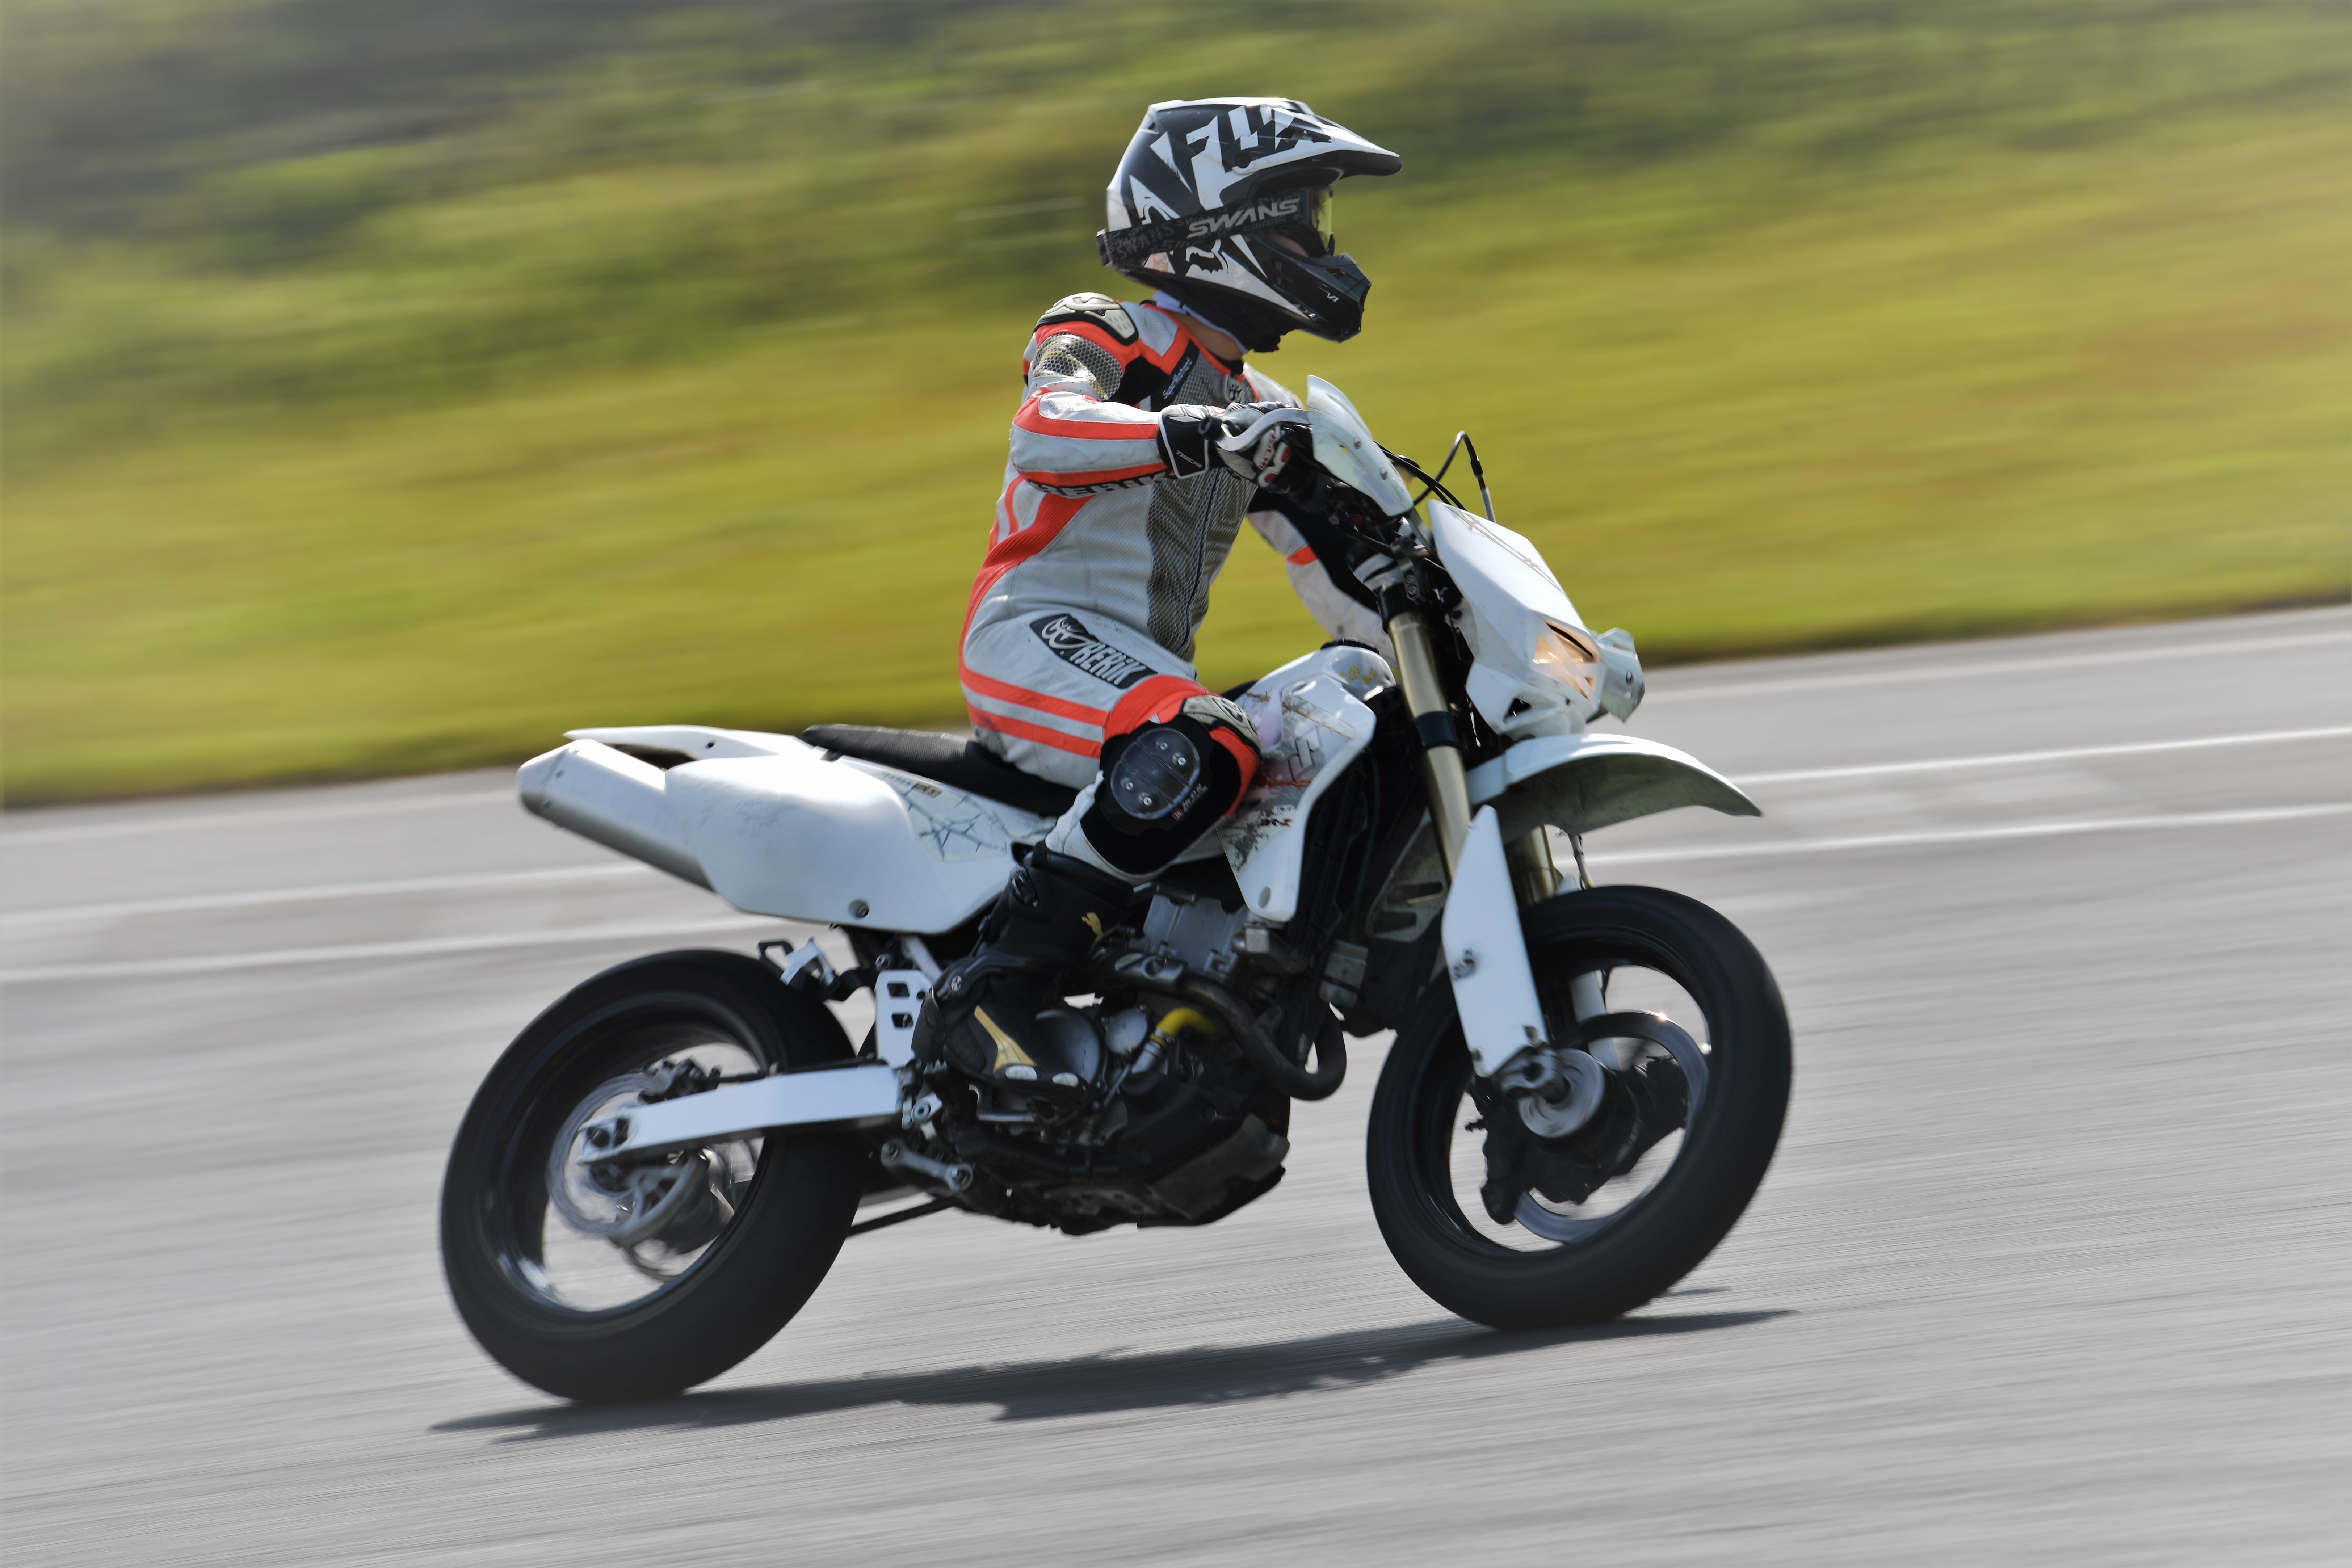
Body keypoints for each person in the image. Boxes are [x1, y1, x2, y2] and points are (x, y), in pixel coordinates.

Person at [918, 97, 1403, 1098]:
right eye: (1300, 221)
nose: (1321, 245)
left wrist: (1447, 629)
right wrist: (1191, 433)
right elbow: (1045, 429)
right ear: (1217, 226)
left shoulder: (1262, 408)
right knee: (1205, 740)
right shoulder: (1107, 330)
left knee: (1338, 732)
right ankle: (992, 990)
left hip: (1138, 674)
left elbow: (1339, 571)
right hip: (1032, 635)